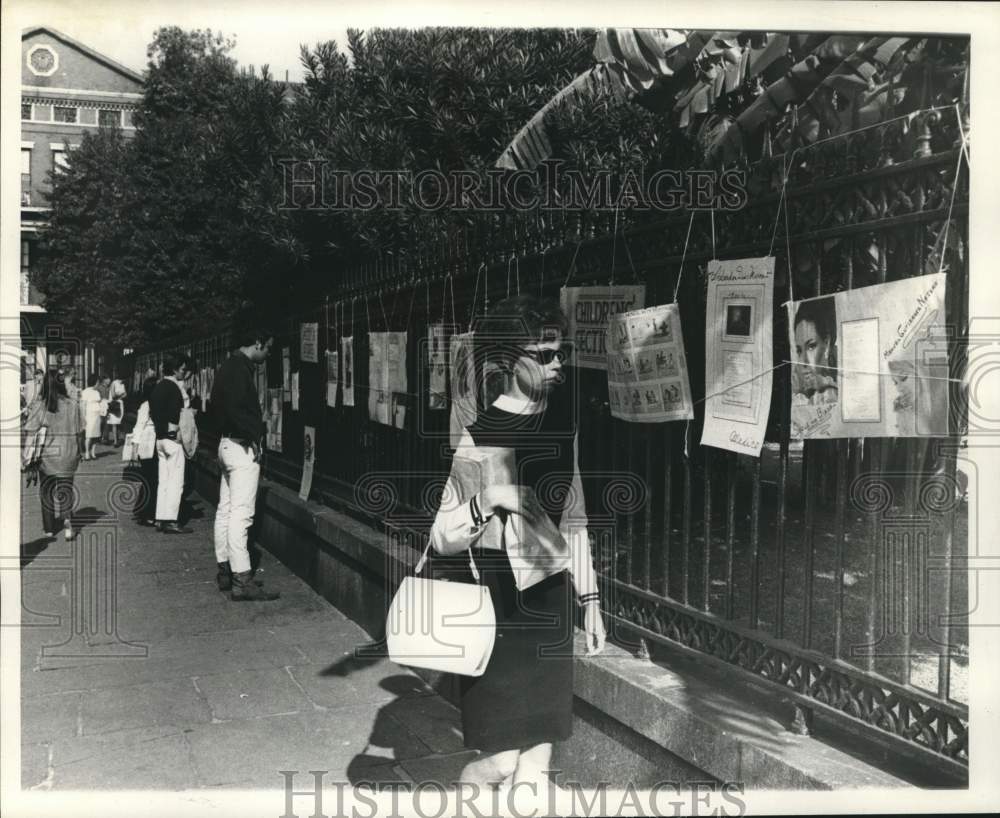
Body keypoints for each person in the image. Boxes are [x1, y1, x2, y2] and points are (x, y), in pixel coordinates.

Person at [430, 294, 605, 794]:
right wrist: (490, 497)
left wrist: (589, 602)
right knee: (502, 760)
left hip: (549, 598)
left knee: (538, 764)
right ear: (509, 360)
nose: (556, 365)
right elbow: (440, 534)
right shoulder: (480, 433)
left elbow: (575, 517)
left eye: (560, 353)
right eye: (543, 354)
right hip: (498, 604)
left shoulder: (562, 423)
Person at [208, 306, 278, 601]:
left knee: (225, 509)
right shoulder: (240, 370)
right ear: (259, 343)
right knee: (242, 514)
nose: (269, 354)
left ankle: (225, 570)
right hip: (240, 447)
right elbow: (238, 409)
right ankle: (242, 579)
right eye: (268, 348)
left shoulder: (228, 366)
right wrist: (254, 436)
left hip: (226, 443)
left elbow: (218, 408)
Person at [23, 370, 83, 538]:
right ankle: (68, 523)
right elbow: (79, 431)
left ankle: (49, 528)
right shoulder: (73, 404)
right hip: (69, 452)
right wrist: (81, 451)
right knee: (66, 490)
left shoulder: (40, 405)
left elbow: (30, 433)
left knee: (46, 491)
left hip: (47, 456)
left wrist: (25, 457)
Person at [150, 353, 193, 534]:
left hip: (159, 439)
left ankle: (160, 517)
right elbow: (176, 414)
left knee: (164, 481)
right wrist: (175, 432)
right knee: (176, 481)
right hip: (172, 439)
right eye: (182, 369)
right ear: (175, 369)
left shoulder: (158, 387)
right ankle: (171, 520)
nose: (184, 373)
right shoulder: (174, 389)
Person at [792, 298, 838, 405]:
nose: (804, 362)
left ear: (826, 344)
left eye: (811, 346)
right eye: (799, 350)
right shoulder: (796, 378)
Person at [131, 375, 159, 526]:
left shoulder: (154, 404)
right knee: (151, 480)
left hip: (154, 444)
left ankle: (143, 511)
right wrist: (135, 448)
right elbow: (138, 427)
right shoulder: (146, 406)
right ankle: (146, 513)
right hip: (147, 445)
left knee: (150, 480)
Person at [79, 374, 103, 460]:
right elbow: (83, 405)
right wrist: (83, 416)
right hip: (89, 415)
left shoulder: (97, 392)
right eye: (97, 382)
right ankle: (87, 453)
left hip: (97, 415)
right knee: (88, 435)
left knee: (96, 435)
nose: (98, 384)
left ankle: (93, 452)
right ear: (94, 382)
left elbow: (100, 402)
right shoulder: (85, 392)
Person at [106, 374, 127, 447]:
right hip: (114, 405)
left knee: (120, 422)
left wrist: (119, 395)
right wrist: (121, 395)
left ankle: (120, 438)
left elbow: (125, 394)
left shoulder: (123, 384)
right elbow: (113, 395)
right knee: (114, 423)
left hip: (120, 404)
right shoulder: (114, 383)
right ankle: (115, 441)